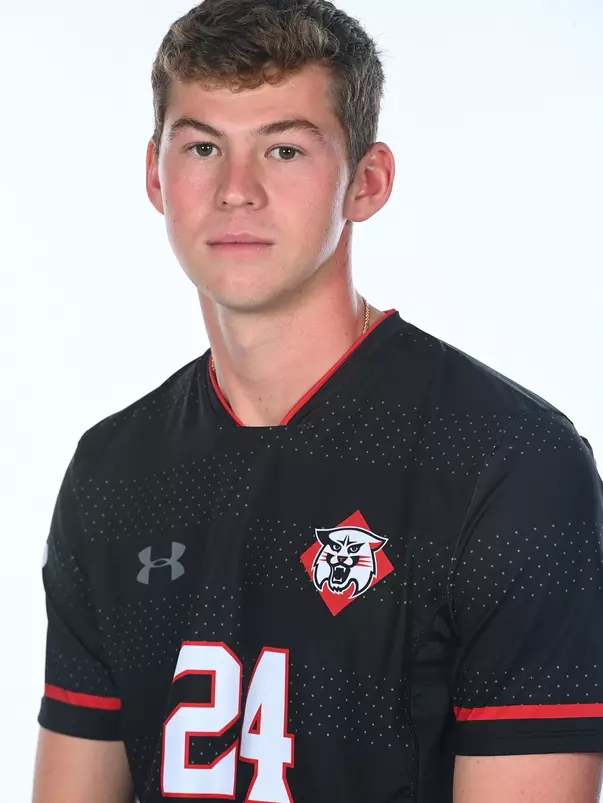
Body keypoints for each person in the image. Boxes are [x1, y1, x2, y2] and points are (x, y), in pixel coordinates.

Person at [32, 0, 603, 801]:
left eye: (285, 148)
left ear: (366, 182)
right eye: (202, 146)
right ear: (156, 176)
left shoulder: (507, 463)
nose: (236, 190)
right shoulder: (111, 470)